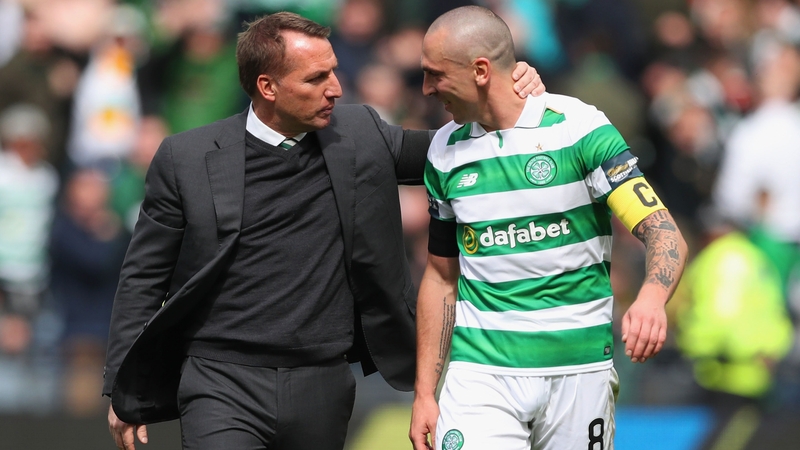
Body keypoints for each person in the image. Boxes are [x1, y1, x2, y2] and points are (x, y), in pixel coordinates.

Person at [104, 11, 544, 450]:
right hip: (220, 382)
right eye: (316, 78)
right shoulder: (187, 157)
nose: (335, 87)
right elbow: (143, 276)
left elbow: (461, 147)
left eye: (333, 70)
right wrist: (123, 391)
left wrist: (508, 89)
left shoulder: (360, 133)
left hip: (323, 383)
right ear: (268, 87)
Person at [408, 6, 687, 450]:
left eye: (434, 74)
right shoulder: (444, 150)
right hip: (481, 372)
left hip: (579, 372)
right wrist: (425, 391)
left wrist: (652, 298)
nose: (425, 89)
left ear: (480, 70)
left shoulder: (579, 129)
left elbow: (663, 230)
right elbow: (442, 276)